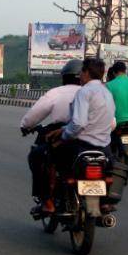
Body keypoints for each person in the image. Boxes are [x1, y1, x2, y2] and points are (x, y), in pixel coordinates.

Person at [21, 59, 83, 215]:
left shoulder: (56, 93)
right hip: (92, 137)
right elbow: (111, 122)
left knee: (37, 156)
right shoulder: (95, 92)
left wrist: (25, 125)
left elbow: (34, 115)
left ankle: (47, 202)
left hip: (62, 136)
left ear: (64, 77)